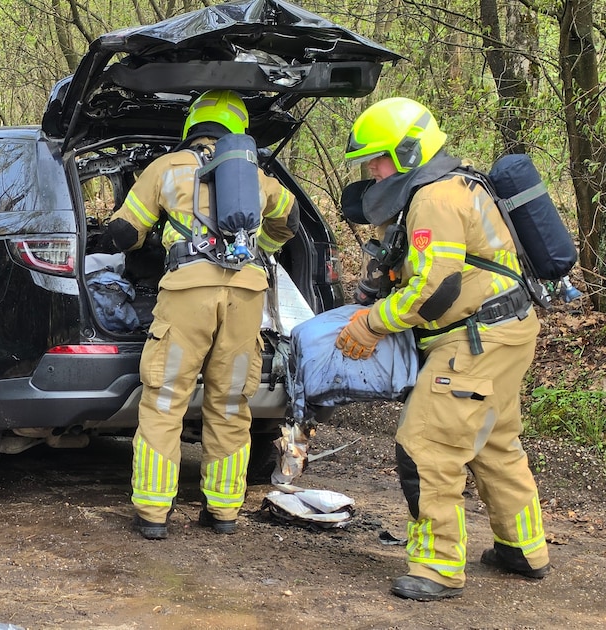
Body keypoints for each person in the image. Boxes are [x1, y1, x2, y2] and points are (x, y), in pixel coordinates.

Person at [338, 97, 550, 601]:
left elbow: (436, 290)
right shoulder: (457, 184)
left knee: (427, 446)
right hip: (508, 330)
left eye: (377, 159)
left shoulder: (435, 198)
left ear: (408, 152)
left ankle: (437, 566)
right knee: (495, 443)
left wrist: (372, 324)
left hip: (476, 339)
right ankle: (523, 549)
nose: (372, 171)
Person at [102, 90, 297, 540]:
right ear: (239, 130)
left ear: (194, 123)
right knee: (230, 404)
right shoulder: (257, 178)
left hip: (188, 292)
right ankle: (223, 511)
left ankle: (153, 513)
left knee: (166, 399)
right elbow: (290, 221)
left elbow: (125, 231)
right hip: (247, 296)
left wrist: (137, 241)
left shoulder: (167, 168)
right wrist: (262, 250)